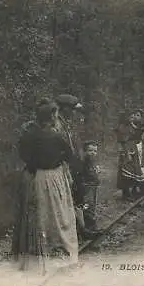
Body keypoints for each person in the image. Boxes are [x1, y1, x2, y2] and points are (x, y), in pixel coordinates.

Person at [12, 99, 79, 273]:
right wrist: (59, 160)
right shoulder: (56, 135)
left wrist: (34, 165)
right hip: (51, 178)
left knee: (34, 215)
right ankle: (56, 253)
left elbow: (23, 154)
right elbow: (71, 155)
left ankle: (34, 255)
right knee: (56, 215)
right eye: (55, 114)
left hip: (31, 177)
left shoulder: (29, 133)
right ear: (52, 116)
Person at [54, 94, 100, 238]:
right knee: (68, 199)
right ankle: (74, 231)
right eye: (72, 110)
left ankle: (81, 228)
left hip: (73, 167)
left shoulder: (66, 123)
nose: (74, 113)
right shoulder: (57, 125)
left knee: (77, 198)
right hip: (63, 167)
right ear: (65, 109)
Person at [80, 141, 101, 232]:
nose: (93, 153)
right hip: (87, 186)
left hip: (93, 185)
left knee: (92, 205)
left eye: (95, 151)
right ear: (85, 151)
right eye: (90, 150)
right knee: (88, 205)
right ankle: (89, 226)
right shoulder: (83, 162)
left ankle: (91, 225)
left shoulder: (92, 161)